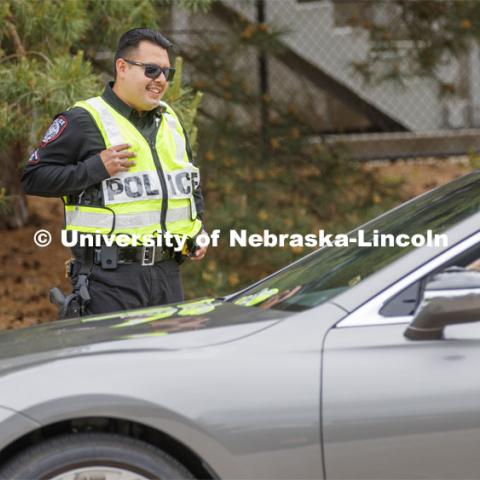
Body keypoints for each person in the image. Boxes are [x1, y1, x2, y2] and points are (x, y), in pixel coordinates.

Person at [22, 28, 208, 317]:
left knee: (168, 362)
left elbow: (188, 183)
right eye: (151, 70)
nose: (160, 79)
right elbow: (33, 177)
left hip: (168, 276)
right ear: (122, 67)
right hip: (109, 279)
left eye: (166, 73)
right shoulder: (83, 119)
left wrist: (198, 229)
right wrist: (94, 168)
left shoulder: (171, 120)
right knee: (115, 362)